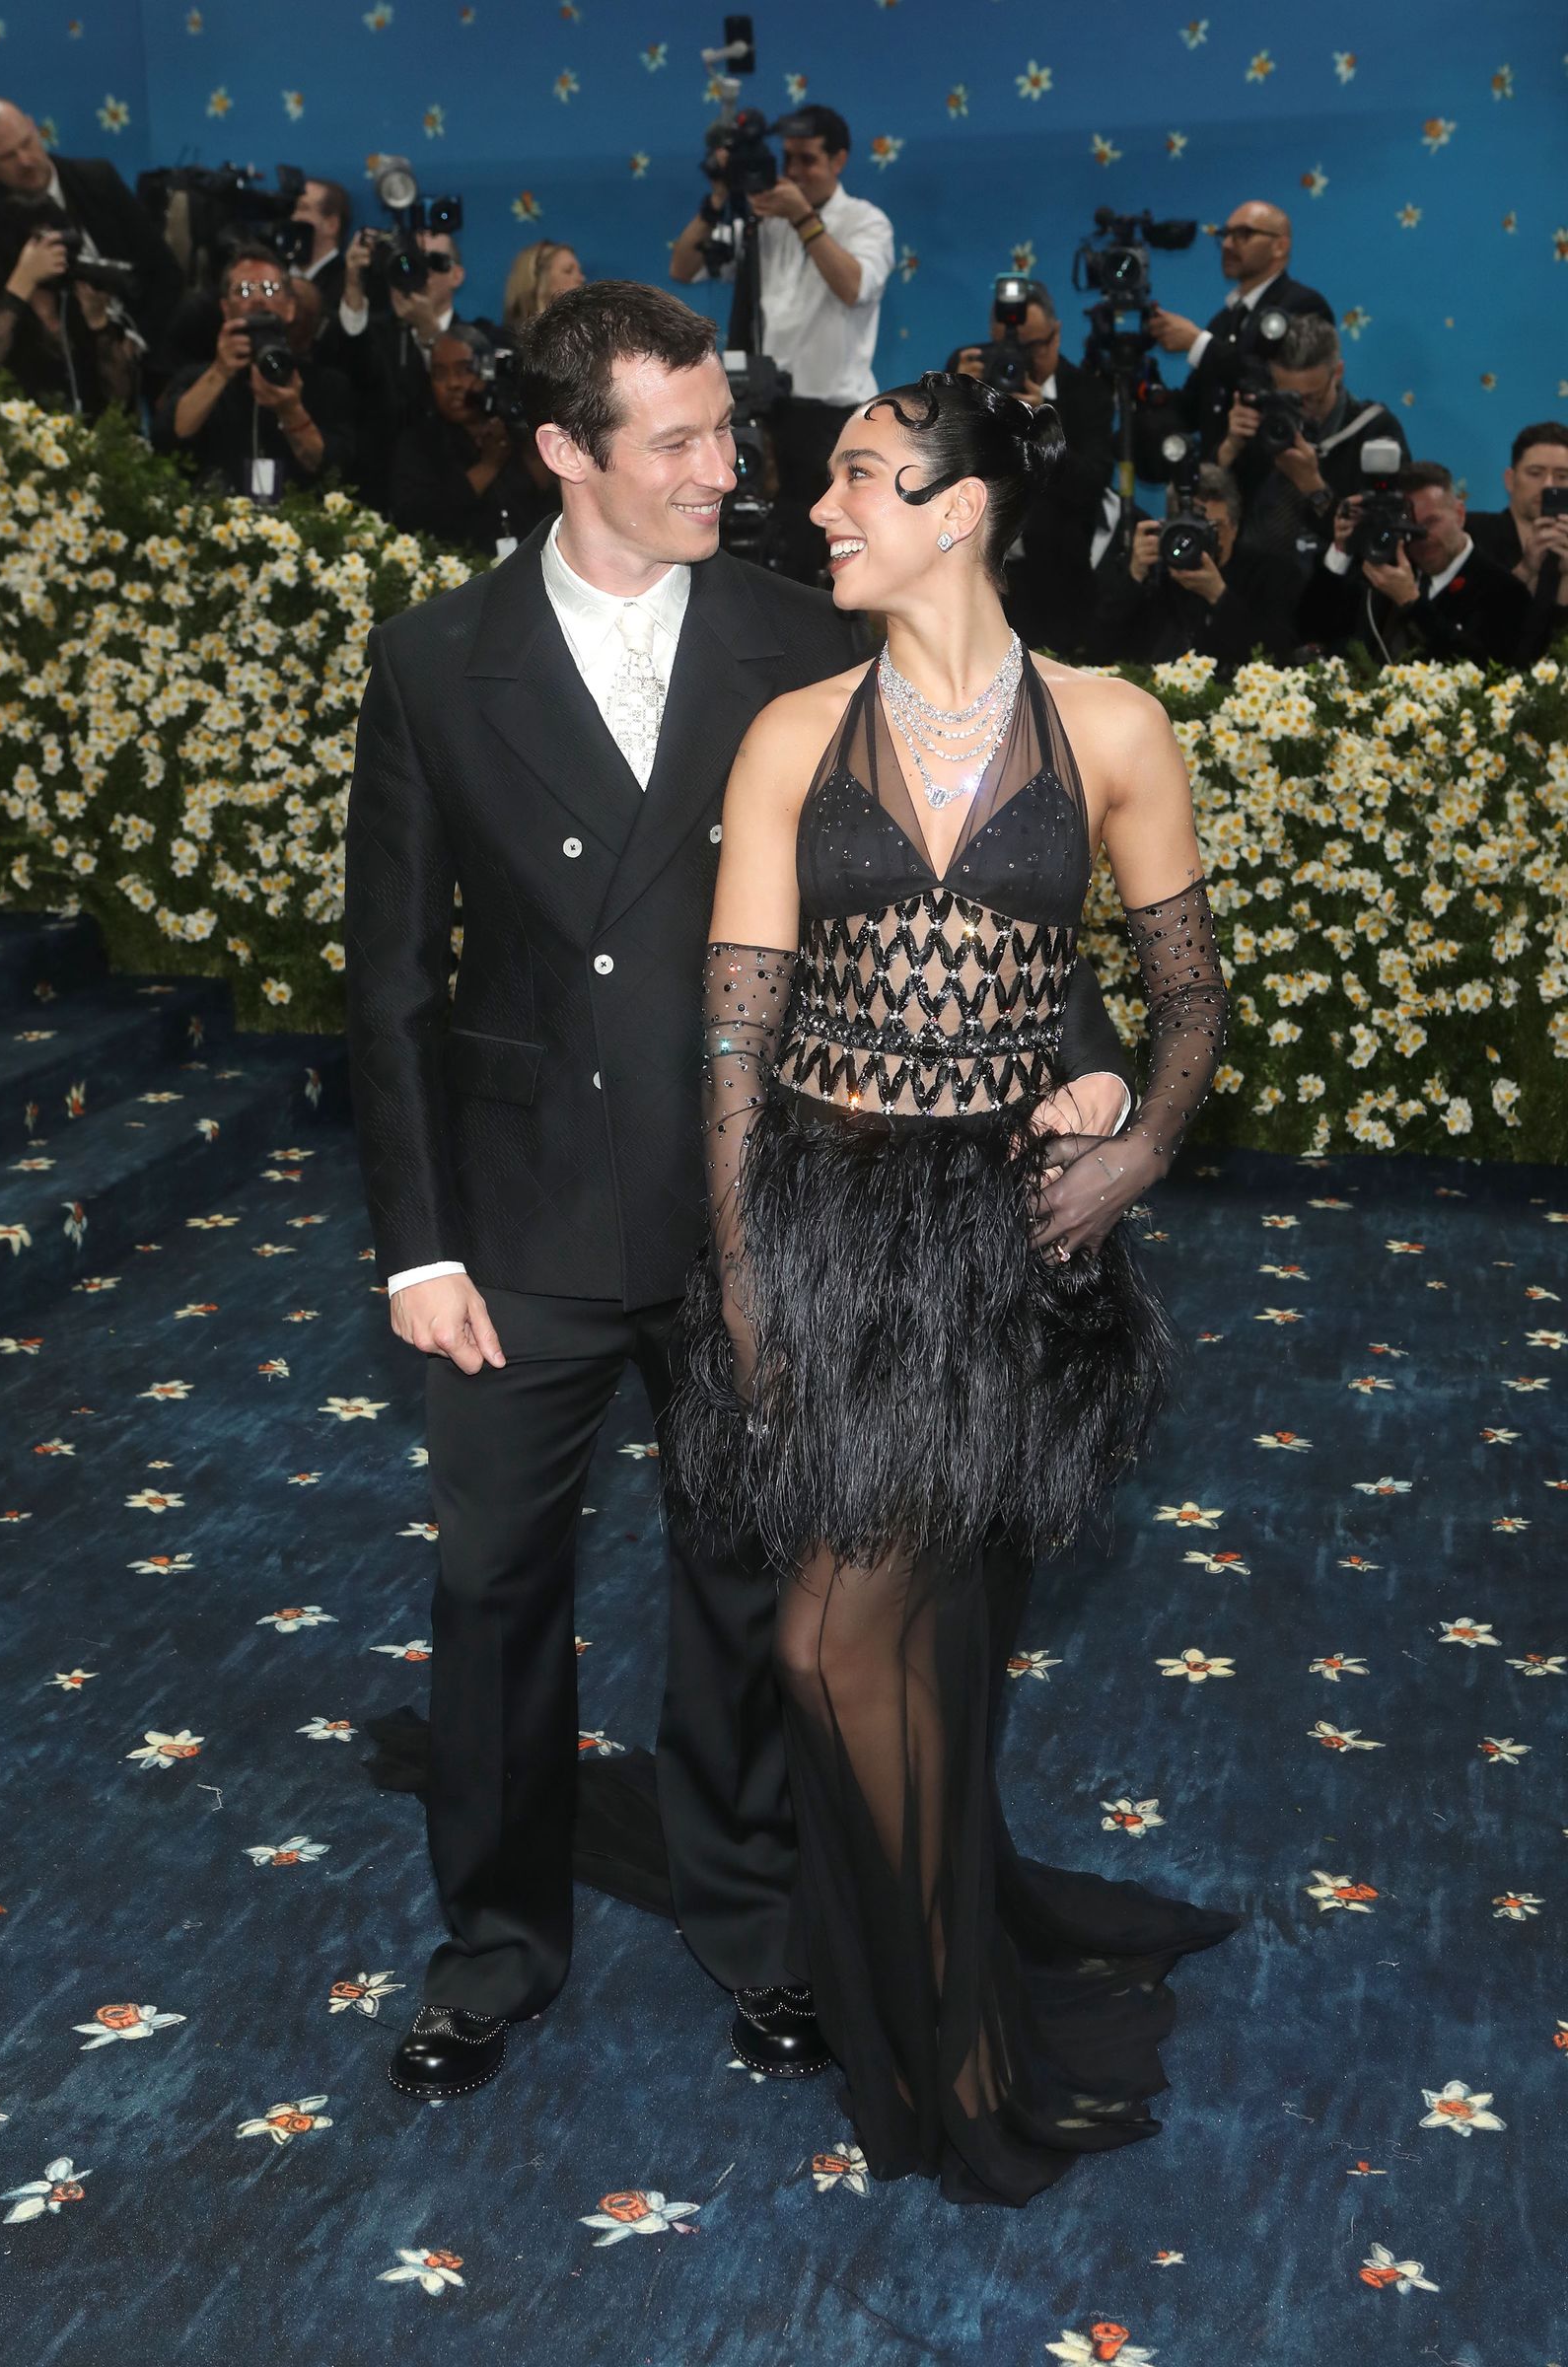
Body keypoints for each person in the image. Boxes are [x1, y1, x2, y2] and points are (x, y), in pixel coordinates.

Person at [342, 285, 1136, 2104]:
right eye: (684, 441)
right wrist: (417, 1247)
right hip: (521, 1223)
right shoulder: (432, 659)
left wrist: (1086, 1046)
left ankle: (754, 1913)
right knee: (491, 1588)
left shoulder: (804, 632)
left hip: (764, 1207)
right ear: (567, 451)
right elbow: (388, 981)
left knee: (744, 1577)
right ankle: (494, 1941)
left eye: (728, 428)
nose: (731, 469)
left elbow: (980, 871)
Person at [665, 369, 1243, 2206]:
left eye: (860, 477)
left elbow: (1189, 1000)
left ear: (963, 506)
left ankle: (952, 2027)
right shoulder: (790, 738)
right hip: (828, 1230)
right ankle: (942, 2010)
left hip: (1002, 1245)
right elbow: (733, 1049)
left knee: (862, 1639)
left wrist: (1139, 1140)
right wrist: (746, 1283)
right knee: (855, 1641)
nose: (822, 507)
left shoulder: (1113, 729)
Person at [670, 104, 894, 581]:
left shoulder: (866, 221)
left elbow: (853, 286)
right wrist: (719, 198)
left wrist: (803, 218)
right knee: (756, 546)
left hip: (831, 416)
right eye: (788, 159)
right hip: (765, 410)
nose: (794, 171)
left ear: (839, 160)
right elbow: (683, 267)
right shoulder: (763, 221)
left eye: (808, 160)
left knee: (818, 555)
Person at [949, 280, 1114, 657]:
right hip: (975, 576)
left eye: (1033, 346)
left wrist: (1044, 428)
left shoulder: (1088, 393)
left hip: (1056, 585)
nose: (1019, 357)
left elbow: (1091, 485)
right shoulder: (971, 374)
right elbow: (938, 464)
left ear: (1056, 335)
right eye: (1007, 344)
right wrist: (954, 400)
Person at [0, 97, 183, 372]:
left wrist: (137, 341)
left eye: (27, 143)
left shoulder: (97, 179)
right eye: (8, 156)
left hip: (134, 345)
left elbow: (165, 273)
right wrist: (23, 279)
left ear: (34, 128)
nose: (25, 160)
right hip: (47, 367)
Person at [152, 242, 356, 495]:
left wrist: (291, 411)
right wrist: (220, 372)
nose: (258, 299)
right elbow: (167, 440)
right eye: (244, 291)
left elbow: (335, 468)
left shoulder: (327, 384)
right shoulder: (195, 378)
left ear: (290, 307)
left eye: (270, 290)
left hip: (296, 515)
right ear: (226, 309)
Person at [1143, 199, 1332, 470]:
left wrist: (1198, 344)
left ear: (1280, 245)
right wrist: (1146, 389)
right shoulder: (1224, 320)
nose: (1228, 245)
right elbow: (1195, 406)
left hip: (1278, 478)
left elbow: (1271, 380)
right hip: (1223, 482)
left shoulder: (1302, 305)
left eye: (1243, 234)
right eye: (1225, 234)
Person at [1216, 316, 1407, 581]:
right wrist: (1230, 447)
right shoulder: (1261, 421)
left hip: (1333, 589)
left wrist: (1313, 487)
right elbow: (1216, 504)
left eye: (1312, 398)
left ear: (1337, 373)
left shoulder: (1374, 432)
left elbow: (1382, 538)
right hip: (1252, 584)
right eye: (1289, 397)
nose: (1301, 408)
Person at [1298, 459, 1532, 667]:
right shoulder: (1384, 573)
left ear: (1460, 515)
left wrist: (1411, 602)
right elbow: (1310, 631)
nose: (1422, 536)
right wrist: (1341, 550)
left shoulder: (1504, 591)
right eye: (1409, 526)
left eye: (1431, 522)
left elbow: (1482, 669)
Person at [1089, 462, 1301, 667]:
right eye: (1188, 530)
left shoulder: (1270, 574)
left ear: (1235, 527)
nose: (1198, 541)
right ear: (1168, 525)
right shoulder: (1153, 570)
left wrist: (1219, 596)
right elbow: (1098, 649)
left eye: (1213, 528)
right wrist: (1134, 577)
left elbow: (1274, 656)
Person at [335, 222, 469, 510]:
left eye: (434, 261)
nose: (423, 272)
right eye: (412, 261)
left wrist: (431, 334)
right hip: (374, 496)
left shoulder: (475, 338)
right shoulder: (373, 334)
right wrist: (353, 284)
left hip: (451, 493)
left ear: (457, 275)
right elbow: (348, 369)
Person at [387, 328, 552, 553]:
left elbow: (551, 498)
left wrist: (523, 437)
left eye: (465, 370)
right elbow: (415, 518)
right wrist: (488, 466)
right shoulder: (420, 441)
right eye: (440, 374)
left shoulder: (515, 427)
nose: (453, 384)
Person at [0, 216, 140, 417]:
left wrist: (98, 321)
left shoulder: (72, 300)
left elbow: (120, 399)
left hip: (84, 430)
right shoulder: (1, 310)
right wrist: (22, 282)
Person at [1466, 421, 1568, 661]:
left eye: (1562, 476)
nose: (1548, 485)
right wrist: (1525, 570)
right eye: (1535, 473)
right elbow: (1466, 622)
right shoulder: (1473, 534)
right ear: (1510, 480)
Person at [289, 177, 351, 315]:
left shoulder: (347, 284)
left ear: (332, 225)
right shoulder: (275, 273)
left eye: (303, 208)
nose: (293, 217)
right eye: (293, 209)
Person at [503, 238, 585, 329]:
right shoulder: (503, 337)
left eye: (580, 272)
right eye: (568, 271)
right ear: (537, 281)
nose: (582, 279)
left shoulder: (587, 332)